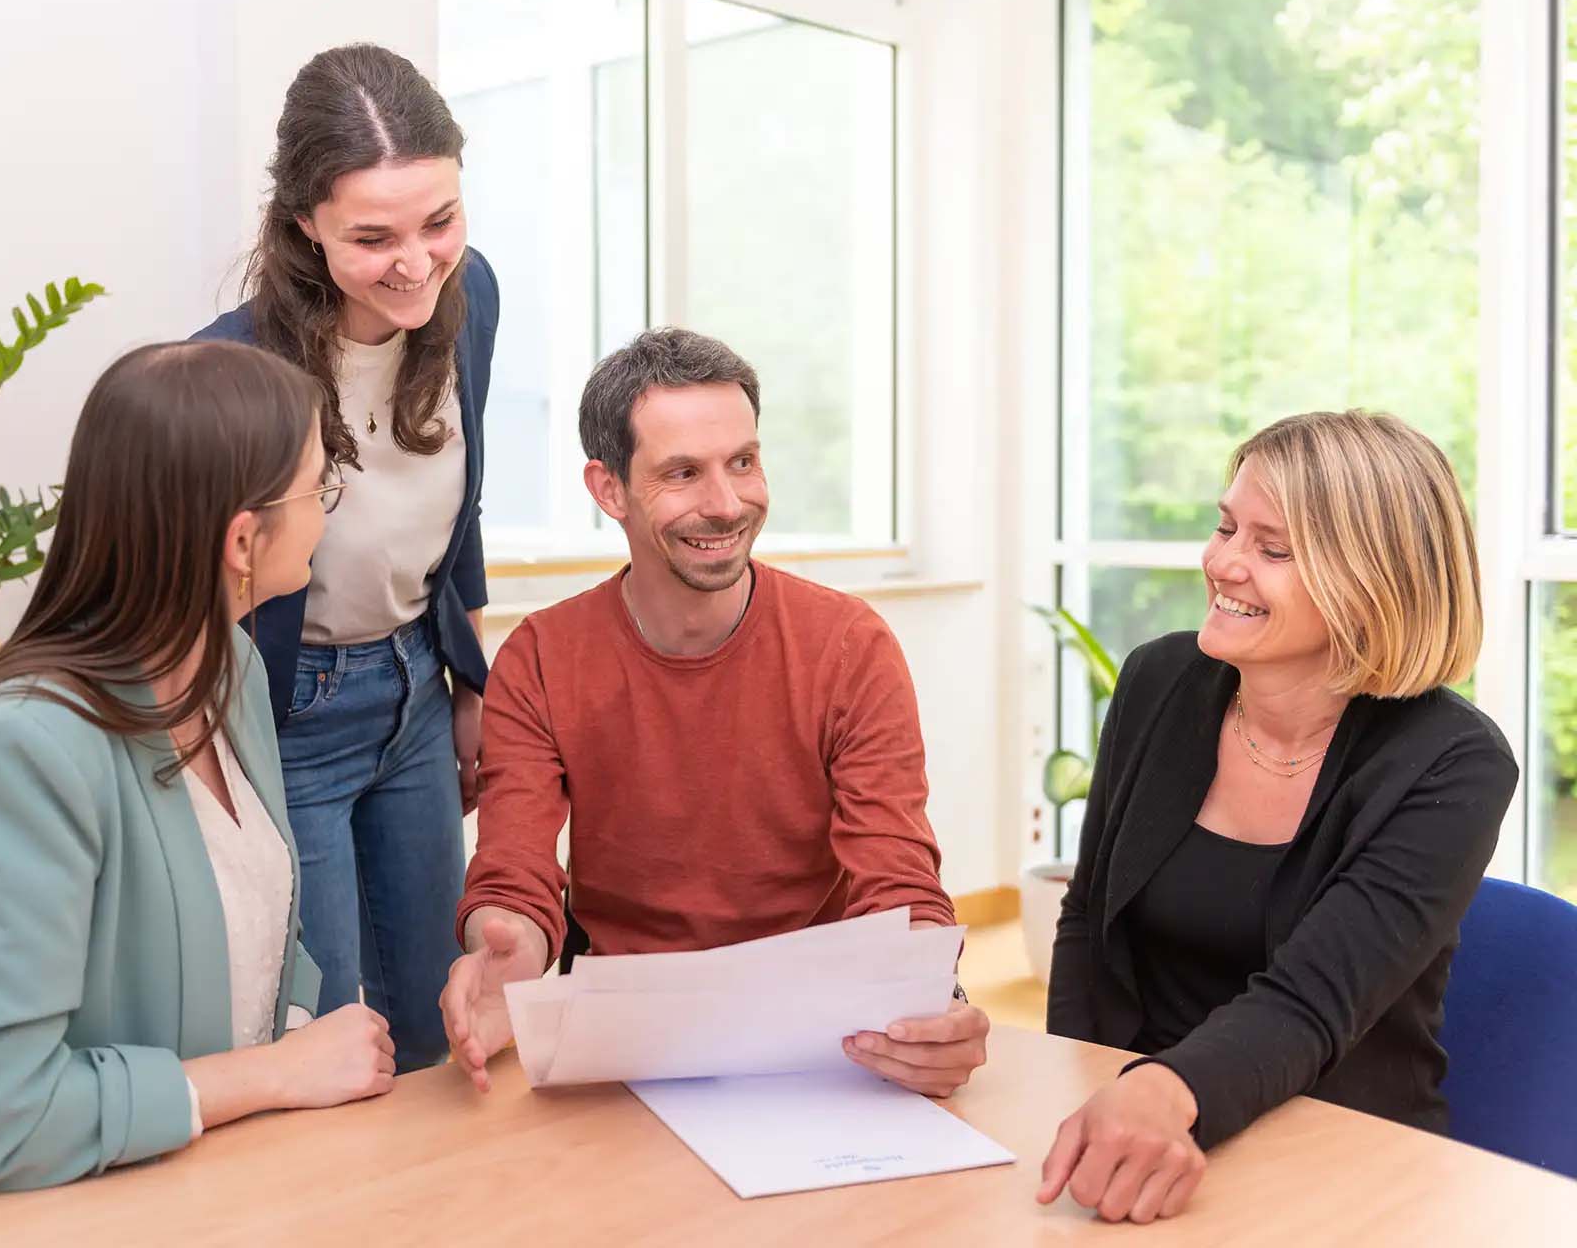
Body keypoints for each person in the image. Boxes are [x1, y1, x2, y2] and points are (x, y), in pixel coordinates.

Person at [0, 341, 395, 1204]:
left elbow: (258, 935)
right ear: (243, 540)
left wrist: (311, 1042)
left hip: (218, 1186)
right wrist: (273, 1073)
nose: (326, 511)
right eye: (319, 488)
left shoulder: (231, 670)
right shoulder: (21, 750)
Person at [439, 327, 991, 1096]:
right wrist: (508, 952)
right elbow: (515, 874)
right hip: (626, 1037)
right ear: (608, 489)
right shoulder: (541, 655)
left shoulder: (850, 646)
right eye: (683, 473)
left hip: (818, 1032)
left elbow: (897, 874)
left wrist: (932, 992)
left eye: (743, 461)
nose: (727, 503)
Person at [1041, 410, 1517, 1225]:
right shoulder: (1159, 680)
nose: (1223, 562)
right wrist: (1078, 1089)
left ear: (1370, 582)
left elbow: (1308, 1000)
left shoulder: (1452, 761)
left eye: (1273, 549)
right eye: (1226, 526)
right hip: (1140, 1125)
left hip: (1341, 1151)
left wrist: (1158, 1092)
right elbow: (1088, 919)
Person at [195, 44, 497, 1072]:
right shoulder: (233, 365)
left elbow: (462, 504)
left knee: (438, 1023)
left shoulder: (473, 294)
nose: (416, 263)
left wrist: (472, 681)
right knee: (322, 1036)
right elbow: (208, 587)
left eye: (439, 221)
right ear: (303, 225)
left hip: (417, 687)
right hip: (290, 713)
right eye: (372, 237)